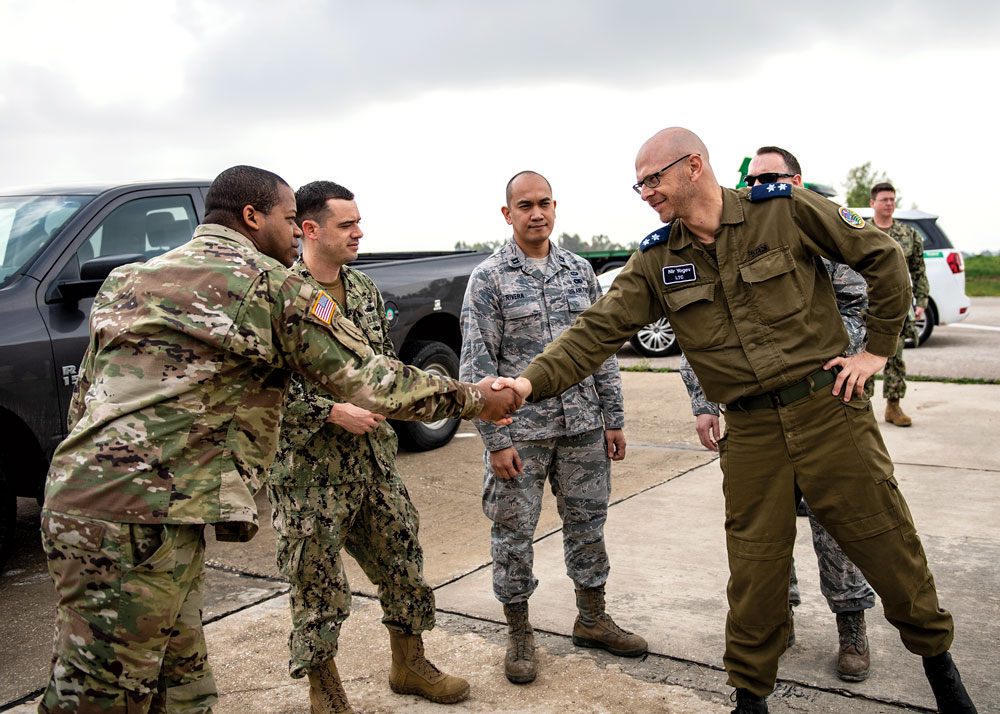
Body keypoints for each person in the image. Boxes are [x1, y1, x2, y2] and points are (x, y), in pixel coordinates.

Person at [498, 129, 977, 714]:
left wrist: (875, 351)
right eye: (640, 182)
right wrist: (525, 384)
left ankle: (944, 676)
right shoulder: (656, 259)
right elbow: (593, 333)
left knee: (888, 545)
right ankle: (750, 698)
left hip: (828, 413)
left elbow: (883, 259)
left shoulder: (784, 211)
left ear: (693, 166)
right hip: (750, 432)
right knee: (754, 570)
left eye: (654, 179)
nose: (645, 192)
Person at [38, 165, 521, 714]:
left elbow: (86, 402)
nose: (295, 232)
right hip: (138, 515)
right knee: (98, 696)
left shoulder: (129, 279)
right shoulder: (270, 284)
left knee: (182, 682)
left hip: (98, 503)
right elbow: (375, 381)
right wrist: (477, 398)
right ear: (252, 217)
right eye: (290, 220)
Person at [266, 180, 469, 713]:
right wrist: (328, 410)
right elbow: (257, 392)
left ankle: (409, 663)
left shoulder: (361, 291)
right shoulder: (279, 296)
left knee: (403, 559)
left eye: (359, 222)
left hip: (372, 462)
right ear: (310, 229)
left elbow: (381, 369)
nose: (359, 232)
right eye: (347, 224)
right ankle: (325, 690)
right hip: (308, 473)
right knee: (316, 583)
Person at [679, 145, 877, 682]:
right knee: (767, 528)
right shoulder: (727, 234)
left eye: (774, 176)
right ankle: (778, 618)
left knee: (839, 523)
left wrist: (849, 360)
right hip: (757, 417)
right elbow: (699, 330)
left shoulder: (814, 225)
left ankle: (851, 621)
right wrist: (703, 402)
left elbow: (861, 301)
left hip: (826, 405)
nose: (762, 185)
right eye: (754, 178)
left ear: (798, 179)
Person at [459, 171, 646, 685]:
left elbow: (601, 348)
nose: (536, 213)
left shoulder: (579, 271)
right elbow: (476, 367)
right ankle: (519, 633)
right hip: (522, 434)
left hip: (584, 425)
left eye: (544, 203)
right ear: (507, 214)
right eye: (524, 205)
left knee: (589, 525)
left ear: (555, 207)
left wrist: (614, 418)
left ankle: (591, 618)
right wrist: (496, 442)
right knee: (513, 534)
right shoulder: (490, 278)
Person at [868, 181, 929, 426]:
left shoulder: (909, 235)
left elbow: (919, 271)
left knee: (895, 356)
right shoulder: (861, 231)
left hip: (898, 305)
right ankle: (862, 408)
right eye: (884, 200)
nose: (890, 204)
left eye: (892, 200)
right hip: (867, 305)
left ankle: (893, 407)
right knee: (865, 356)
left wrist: (921, 300)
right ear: (873, 203)